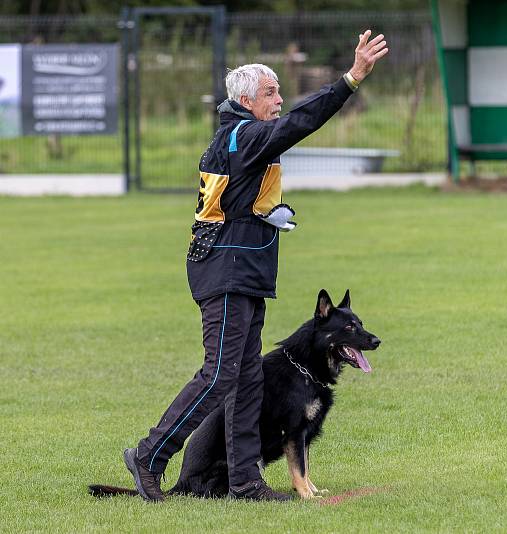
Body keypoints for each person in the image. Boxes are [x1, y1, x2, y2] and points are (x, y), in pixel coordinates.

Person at [123, 30, 389, 502]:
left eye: (279, 92)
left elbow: (239, 202)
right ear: (246, 100)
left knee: (246, 379)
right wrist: (348, 80)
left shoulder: (240, 140)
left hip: (243, 274)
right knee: (220, 373)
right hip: (226, 274)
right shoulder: (243, 136)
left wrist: (268, 214)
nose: (280, 100)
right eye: (271, 93)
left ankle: (245, 482)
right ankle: (150, 455)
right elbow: (298, 124)